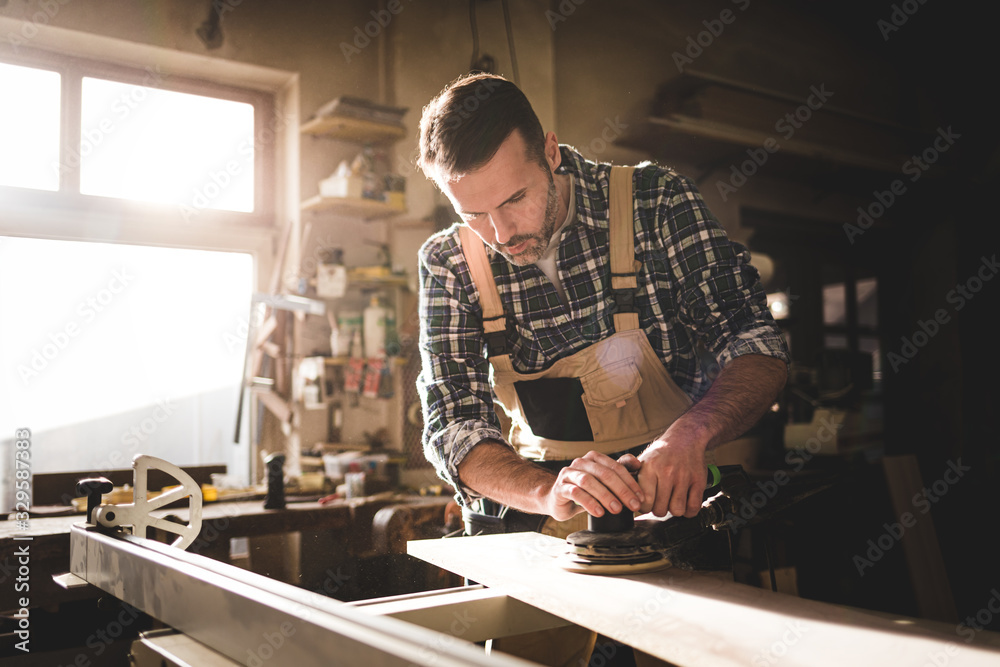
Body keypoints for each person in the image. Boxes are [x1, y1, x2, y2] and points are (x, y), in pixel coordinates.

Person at [415, 72, 789, 664]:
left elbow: (756, 341)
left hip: (676, 509)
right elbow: (454, 425)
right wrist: (548, 491)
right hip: (544, 526)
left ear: (550, 152)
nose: (501, 233)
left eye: (514, 199)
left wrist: (689, 436)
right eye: (475, 213)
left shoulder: (654, 202)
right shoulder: (448, 263)